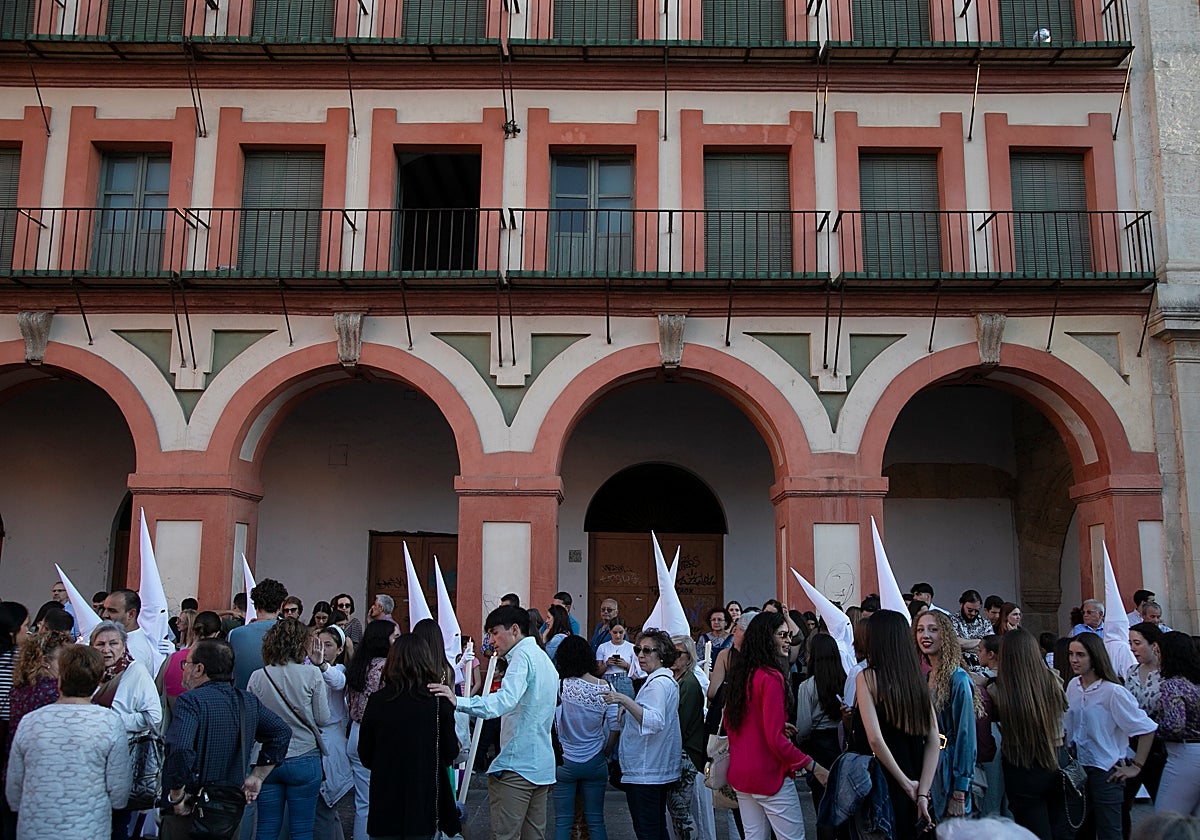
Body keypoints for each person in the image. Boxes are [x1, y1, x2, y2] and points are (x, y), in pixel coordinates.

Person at [433, 604, 557, 840]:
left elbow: (503, 701)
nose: (491, 640)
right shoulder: (542, 658)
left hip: (518, 764)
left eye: (493, 632)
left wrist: (458, 701)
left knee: (504, 835)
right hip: (540, 764)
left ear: (514, 629)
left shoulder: (523, 656)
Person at [160, 639, 292, 840]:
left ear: (199, 669)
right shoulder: (246, 701)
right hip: (227, 812)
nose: (184, 669)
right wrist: (258, 776)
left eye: (186, 663)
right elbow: (281, 732)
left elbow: (180, 749)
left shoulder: (191, 701)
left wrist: (176, 794)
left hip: (192, 808)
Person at [6, 646, 130, 840]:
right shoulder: (110, 723)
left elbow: (14, 788)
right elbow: (119, 792)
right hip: (88, 829)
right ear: (98, 680)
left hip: (35, 828)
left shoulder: (30, 722)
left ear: (60, 679)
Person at [725, 612, 825, 839]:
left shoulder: (743, 674)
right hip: (769, 776)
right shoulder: (771, 677)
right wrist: (813, 766)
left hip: (742, 775)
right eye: (782, 635)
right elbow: (775, 740)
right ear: (766, 638)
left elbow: (739, 727)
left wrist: (779, 726)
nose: (788, 640)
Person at [359, 634, 461, 840]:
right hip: (423, 799)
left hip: (385, 798)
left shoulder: (378, 701)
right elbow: (450, 751)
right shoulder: (438, 702)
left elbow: (365, 753)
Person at [850, 610, 940, 839]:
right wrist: (923, 791)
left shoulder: (867, 677)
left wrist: (906, 783)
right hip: (918, 778)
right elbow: (933, 739)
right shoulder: (919, 681)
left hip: (884, 781)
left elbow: (875, 739)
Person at [1065, 631, 1156, 840]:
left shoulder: (1113, 692)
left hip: (1105, 770)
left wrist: (1136, 766)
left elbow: (1146, 728)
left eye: (1080, 655)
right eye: (1071, 654)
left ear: (1094, 656)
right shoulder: (1073, 686)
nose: (1074, 660)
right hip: (1077, 768)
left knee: (1110, 832)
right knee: (1078, 829)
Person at [246, 617, 329, 840]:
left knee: (266, 827)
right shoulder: (311, 674)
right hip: (304, 755)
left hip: (267, 758)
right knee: (302, 830)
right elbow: (322, 718)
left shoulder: (257, 676)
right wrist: (319, 665)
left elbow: (252, 722)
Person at [989, 629, 1070, 840]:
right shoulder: (1053, 680)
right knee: (1058, 827)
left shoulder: (1000, 689)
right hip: (1056, 755)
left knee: (1032, 830)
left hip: (1021, 763)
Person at [604, 628, 681, 840]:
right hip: (651, 769)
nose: (640, 655)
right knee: (655, 828)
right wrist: (630, 706)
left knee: (648, 830)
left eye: (647, 651)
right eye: (638, 649)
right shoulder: (661, 681)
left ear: (662, 654)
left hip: (647, 771)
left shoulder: (658, 684)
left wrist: (624, 700)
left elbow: (654, 721)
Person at [90, 620, 162, 840]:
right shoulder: (89, 671)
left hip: (122, 757)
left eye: (113, 643)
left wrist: (116, 720)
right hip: (91, 758)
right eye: (100, 644)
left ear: (123, 645)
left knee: (117, 821)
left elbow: (154, 716)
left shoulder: (135, 671)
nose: (107, 649)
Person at [914, 610, 978, 820]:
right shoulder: (926, 677)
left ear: (946, 635)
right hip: (929, 765)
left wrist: (960, 790)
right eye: (921, 630)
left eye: (933, 630)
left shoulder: (958, 679)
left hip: (950, 768)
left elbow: (966, 736)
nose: (926, 635)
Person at [551, 634, 613, 840]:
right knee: (596, 820)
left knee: (563, 821)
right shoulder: (604, 687)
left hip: (565, 760)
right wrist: (606, 752)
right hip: (595, 758)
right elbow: (615, 727)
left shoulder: (560, 686)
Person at [345, 619, 397, 840]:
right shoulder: (387, 668)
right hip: (377, 736)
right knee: (383, 801)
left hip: (356, 732)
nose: (398, 641)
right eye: (394, 637)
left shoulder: (359, 665)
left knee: (363, 803)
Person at [308, 623, 354, 839]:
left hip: (332, 740)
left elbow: (338, 682)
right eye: (320, 644)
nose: (323, 649)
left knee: (327, 805)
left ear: (340, 650)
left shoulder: (340, 670)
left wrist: (322, 666)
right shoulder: (307, 668)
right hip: (312, 739)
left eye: (328, 645)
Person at [794, 632, 846, 813]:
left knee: (823, 806)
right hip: (841, 744)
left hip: (818, 747)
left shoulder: (807, 686)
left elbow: (804, 726)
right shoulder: (846, 681)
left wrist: (800, 743)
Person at [1154, 631, 1200, 817]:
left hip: (1184, 754)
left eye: (1159, 652)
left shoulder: (1172, 685)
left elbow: (1175, 725)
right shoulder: (1195, 682)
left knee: (1165, 819)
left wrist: (1154, 728)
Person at [1124, 622, 1167, 824]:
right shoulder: (1131, 672)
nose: (1132, 648)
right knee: (1122, 803)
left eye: (1138, 643)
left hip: (1160, 748)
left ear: (1154, 645)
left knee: (1163, 805)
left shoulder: (1166, 674)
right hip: (1133, 746)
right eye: (1130, 643)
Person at [7, 629, 74, 754]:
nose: (70, 664)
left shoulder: (21, 686)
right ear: (44, 661)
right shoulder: (54, 691)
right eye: (64, 659)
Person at [668, 635, 707, 840]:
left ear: (689, 656)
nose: (674, 657)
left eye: (679, 653)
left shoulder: (689, 684)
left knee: (682, 813)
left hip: (686, 755)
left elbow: (680, 723)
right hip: (679, 752)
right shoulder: (678, 679)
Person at [229, 578, 288, 690]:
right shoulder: (291, 634)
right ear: (280, 606)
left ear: (255, 605)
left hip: (242, 699)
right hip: (278, 702)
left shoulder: (234, 634)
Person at [163, 611, 222, 711]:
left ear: (193, 631)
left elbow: (158, 688)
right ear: (216, 635)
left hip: (174, 718)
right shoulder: (217, 664)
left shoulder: (172, 658)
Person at [100, 589, 165, 679]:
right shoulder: (124, 640)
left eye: (112, 611)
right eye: (104, 609)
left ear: (131, 614)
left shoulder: (135, 649)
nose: (104, 615)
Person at [949, 590, 992, 667]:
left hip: (982, 669)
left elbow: (990, 647)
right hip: (959, 667)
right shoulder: (951, 621)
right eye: (970, 610)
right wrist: (979, 642)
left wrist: (965, 645)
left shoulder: (985, 623)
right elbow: (954, 643)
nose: (973, 613)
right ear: (961, 605)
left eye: (976, 611)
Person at [596, 616, 637, 697]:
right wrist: (606, 664)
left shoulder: (631, 647)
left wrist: (626, 665)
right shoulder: (602, 647)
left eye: (621, 632)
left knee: (626, 707)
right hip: (607, 681)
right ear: (610, 631)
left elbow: (637, 673)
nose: (618, 636)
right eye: (615, 632)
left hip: (625, 681)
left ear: (625, 631)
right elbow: (597, 671)